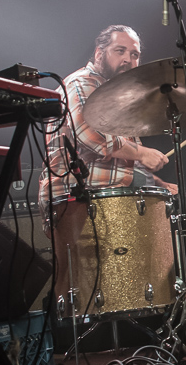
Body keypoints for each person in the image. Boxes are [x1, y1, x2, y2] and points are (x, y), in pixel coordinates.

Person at [39, 24, 177, 224]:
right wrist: (142, 153)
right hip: (76, 196)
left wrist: (157, 183)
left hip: (108, 194)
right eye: (120, 51)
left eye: (134, 54)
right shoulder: (82, 82)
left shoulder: (115, 97)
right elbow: (90, 134)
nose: (127, 60)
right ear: (99, 53)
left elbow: (124, 160)